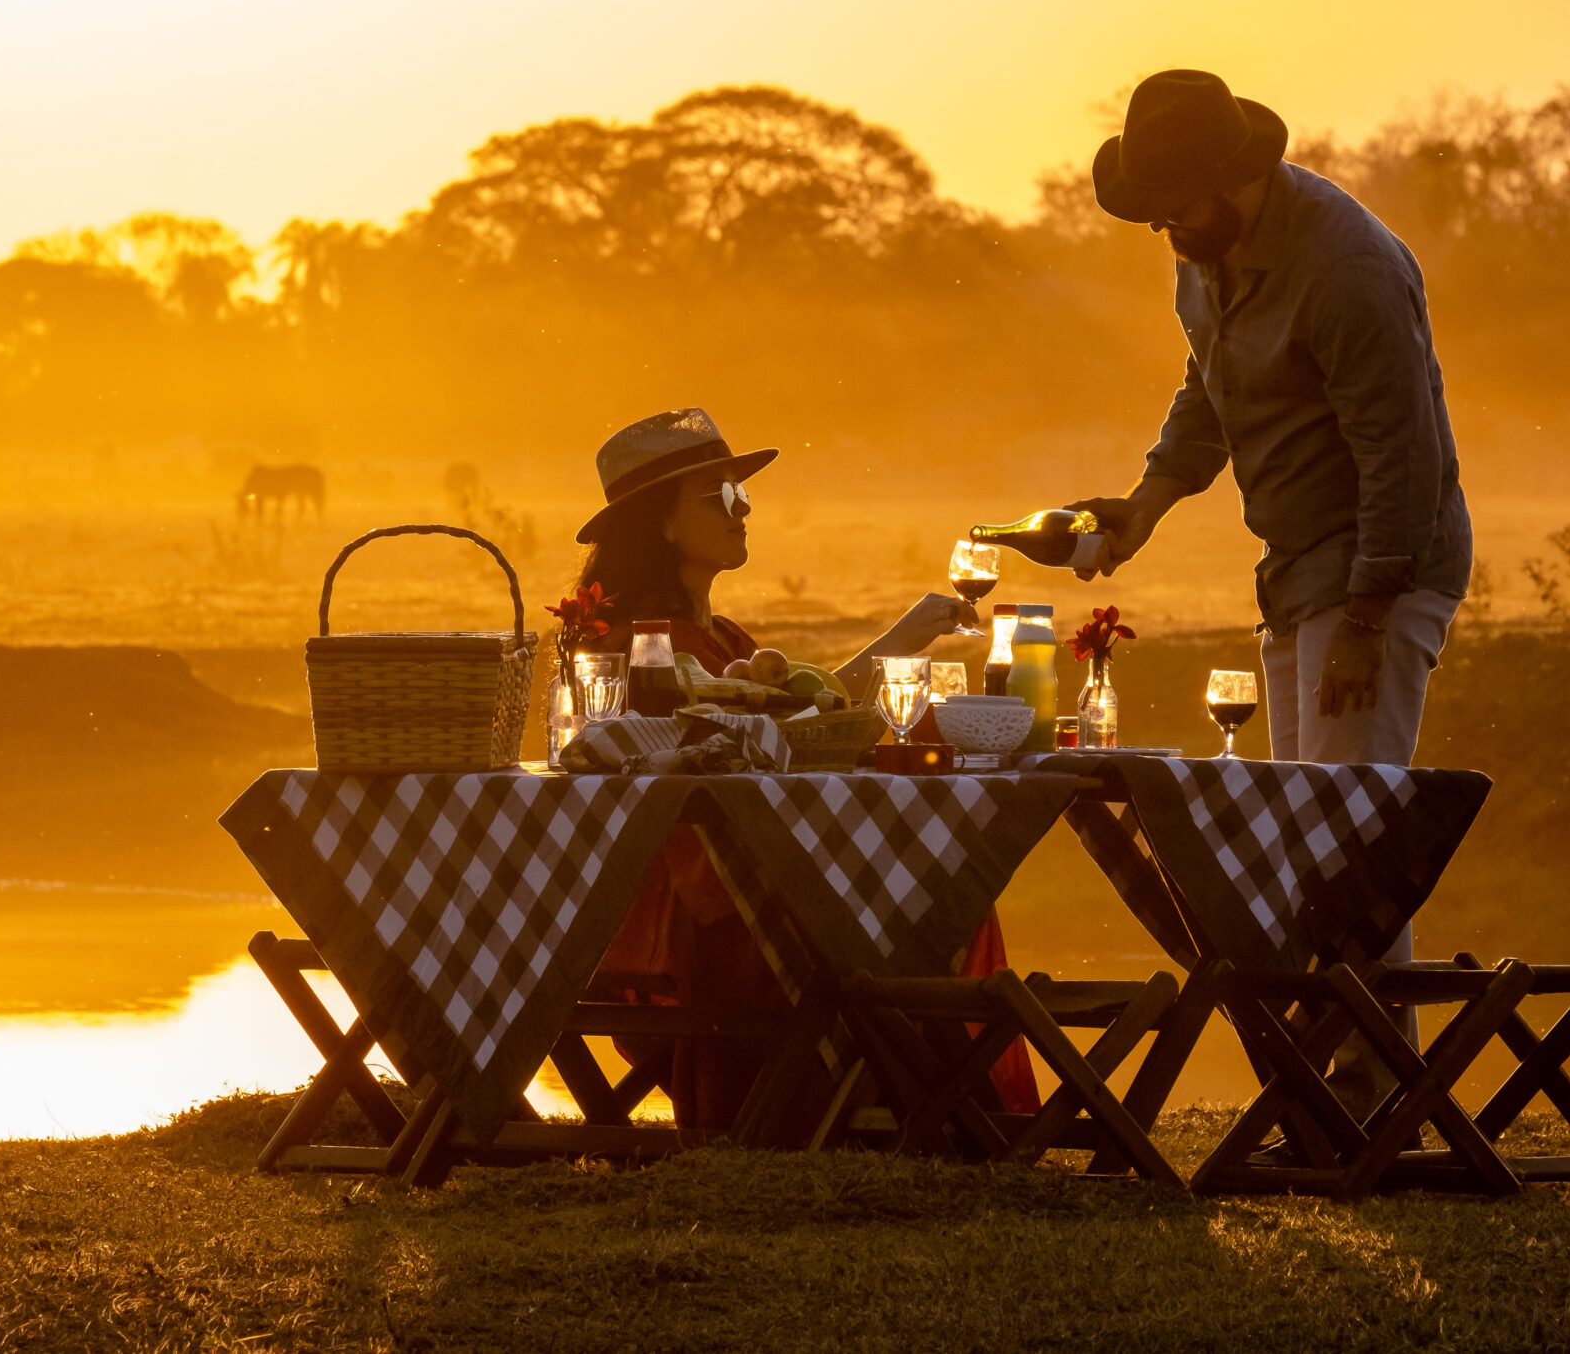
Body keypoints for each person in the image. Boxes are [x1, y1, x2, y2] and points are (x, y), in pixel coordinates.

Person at [1069, 70, 1473, 1057]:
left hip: (1382, 565)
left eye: (1174, 206)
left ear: (1233, 174)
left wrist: (1369, 621)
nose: (1163, 228)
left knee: (1349, 845)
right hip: (1292, 572)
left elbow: (1401, 455)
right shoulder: (1202, 253)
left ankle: (1375, 1091)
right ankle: (1335, 1083)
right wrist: (1144, 506)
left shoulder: (1345, 270)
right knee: (1311, 840)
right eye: (1150, 212)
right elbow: (1206, 390)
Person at [571, 406, 1037, 1126]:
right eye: (722, 496)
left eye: (744, 493)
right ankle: (929, 1097)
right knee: (925, 889)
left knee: (944, 879)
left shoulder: (723, 634)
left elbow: (788, 719)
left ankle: (921, 1097)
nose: (744, 509)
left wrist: (905, 637)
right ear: (660, 524)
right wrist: (897, 645)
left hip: (762, 873)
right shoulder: (640, 645)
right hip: (709, 907)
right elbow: (746, 736)